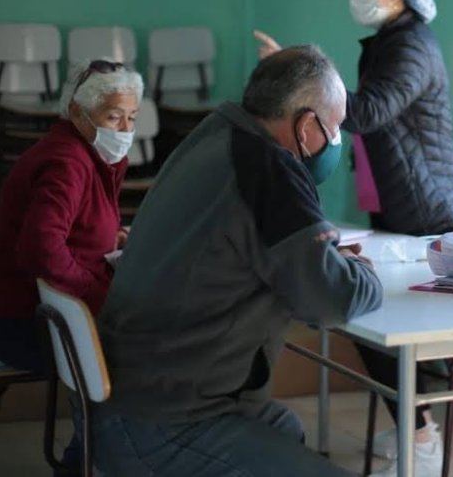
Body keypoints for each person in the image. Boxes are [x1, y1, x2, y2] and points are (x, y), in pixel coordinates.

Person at [92, 45, 383, 477]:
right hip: (170, 420)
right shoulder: (269, 169)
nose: (336, 143)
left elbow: (265, 249)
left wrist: (321, 258)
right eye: (335, 128)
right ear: (306, 126)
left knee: (283, 426)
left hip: (133, 394)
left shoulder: (216, 133)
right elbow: (328, 300)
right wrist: (361, 272)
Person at [255, 0, 453, 475]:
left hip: (430, 210)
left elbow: (368, 110)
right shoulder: (386, 42)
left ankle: (420, 435)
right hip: (400, 203)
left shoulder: (411, 45)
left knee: (388, 322)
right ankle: (414, 422)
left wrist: (297, 86)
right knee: (370, 320)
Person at [0, 59, 140, 474]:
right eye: (113, 116)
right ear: (79, 114)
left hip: (36, 311)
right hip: (17, 321)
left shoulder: (85, 153)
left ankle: (90, 461)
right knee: (127, 360)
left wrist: (111, 237)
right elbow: (41, 250)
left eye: (131, 118)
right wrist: (96, 291)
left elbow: (71, 228)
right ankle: (84, 465)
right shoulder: (67, 161)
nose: (124, 130)